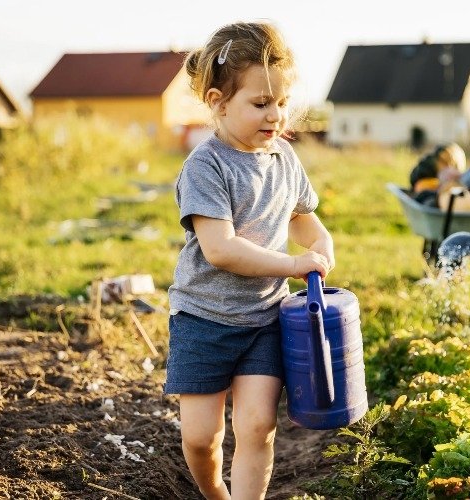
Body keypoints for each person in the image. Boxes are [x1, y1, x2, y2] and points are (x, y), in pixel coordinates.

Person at [165, 21, 334, 499]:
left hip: (263, 318)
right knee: (202, 439)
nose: (276, 115)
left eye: (281, 102)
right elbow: (220, 250)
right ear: (219, 102)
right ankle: (216, 493)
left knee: (258, 426)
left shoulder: (283, 158)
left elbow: (304, 220)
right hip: (203, 319)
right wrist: (294, 266)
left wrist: (322, 247)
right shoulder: (207, 165)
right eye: (261, 104)